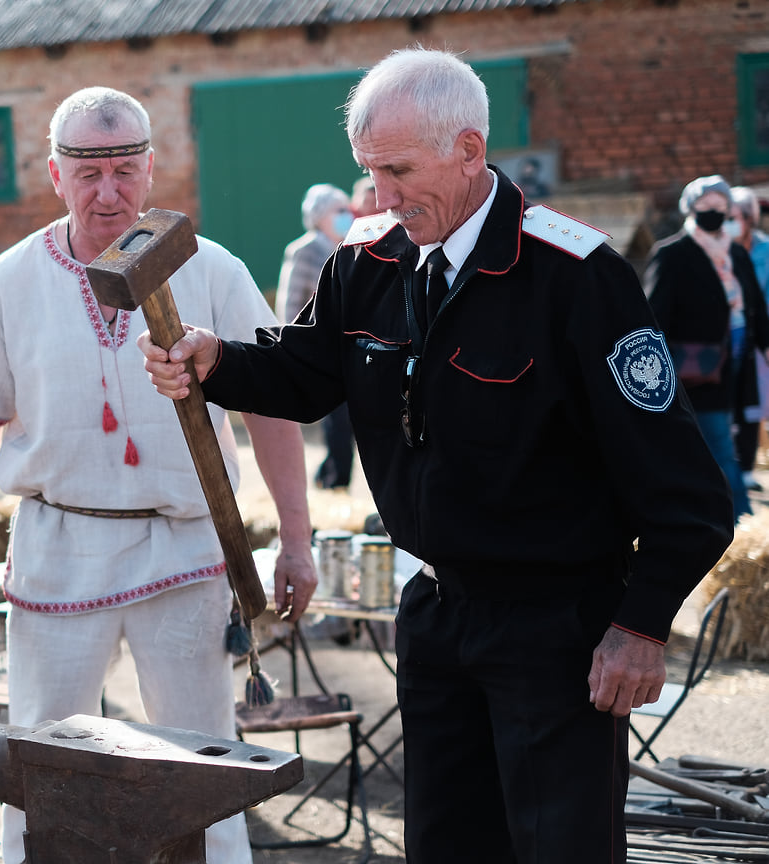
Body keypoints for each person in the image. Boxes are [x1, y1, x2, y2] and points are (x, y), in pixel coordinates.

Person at [139, 49, 734, 864]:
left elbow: (689, 497)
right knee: (447, 846)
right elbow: (309, 372)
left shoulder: (575, 276)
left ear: (467, 149)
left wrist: (639, 626)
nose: (379, 195)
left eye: (397, 170)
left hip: (556, 629)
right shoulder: (367, 258)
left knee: (560, 849)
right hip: (435, 616)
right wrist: (218, 361)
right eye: (367, 171)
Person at [0, 86, 317, 864]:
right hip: (56, 546)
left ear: (150, 169)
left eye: (123, 171)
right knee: (41, 761)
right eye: (88, 174)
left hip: (182, 548)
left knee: (202, 760)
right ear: (54, 174)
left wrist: (296, 538)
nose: (107, 192)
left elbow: (272, 410)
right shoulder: (9, 282)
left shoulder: (211, 270)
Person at [644, 175, 769, 518]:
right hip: (694, 369)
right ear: (690, 207)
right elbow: (653, 318)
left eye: (720, 206)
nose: (713, 212)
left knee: (728, 438)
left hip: (735, 361)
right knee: (719, 445)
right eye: (705, 206)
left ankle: (716, 515)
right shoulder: (672, 253)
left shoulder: (735, 254)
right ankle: (739, 520)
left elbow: (755, 303)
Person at [277, 183, 355, 489]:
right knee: (337, 421)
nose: (347, 215)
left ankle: (330, 477)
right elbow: (291, 303)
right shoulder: (305, 250)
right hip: (322, 349)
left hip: (349, 348)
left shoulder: (350, 247)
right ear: (320, 216)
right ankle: (335, 482)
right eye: (339, 210)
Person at [730, 185, 769, 491]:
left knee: (753, 403)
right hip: (724, 338)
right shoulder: (711, 248)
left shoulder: (764, 250)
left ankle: (746, 468)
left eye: (735, 217)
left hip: (757, 332)